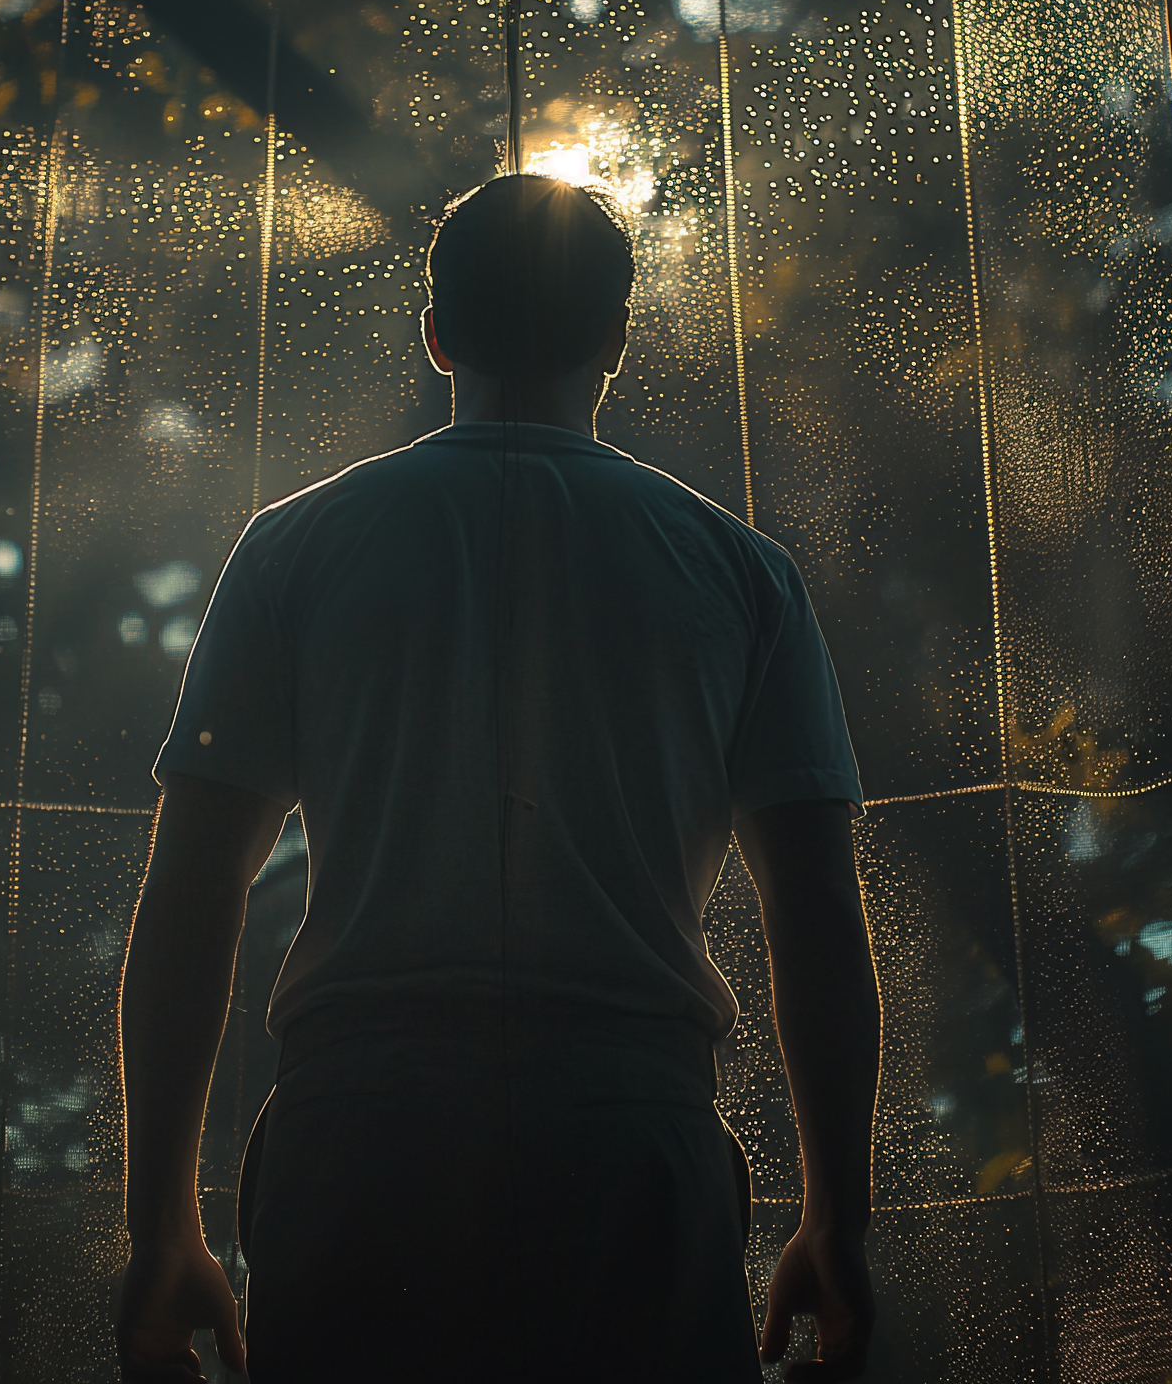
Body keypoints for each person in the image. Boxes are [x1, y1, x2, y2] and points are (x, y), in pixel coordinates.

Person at [116, 173, 881, 1383]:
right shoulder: (739, 573)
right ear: (616, 340)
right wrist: (839, 1217)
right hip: (629, 1137)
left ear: (434, 334)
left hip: (363, 1137)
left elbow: (192, 892)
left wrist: (159, 1226)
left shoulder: (295, 546)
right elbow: (817, 914)